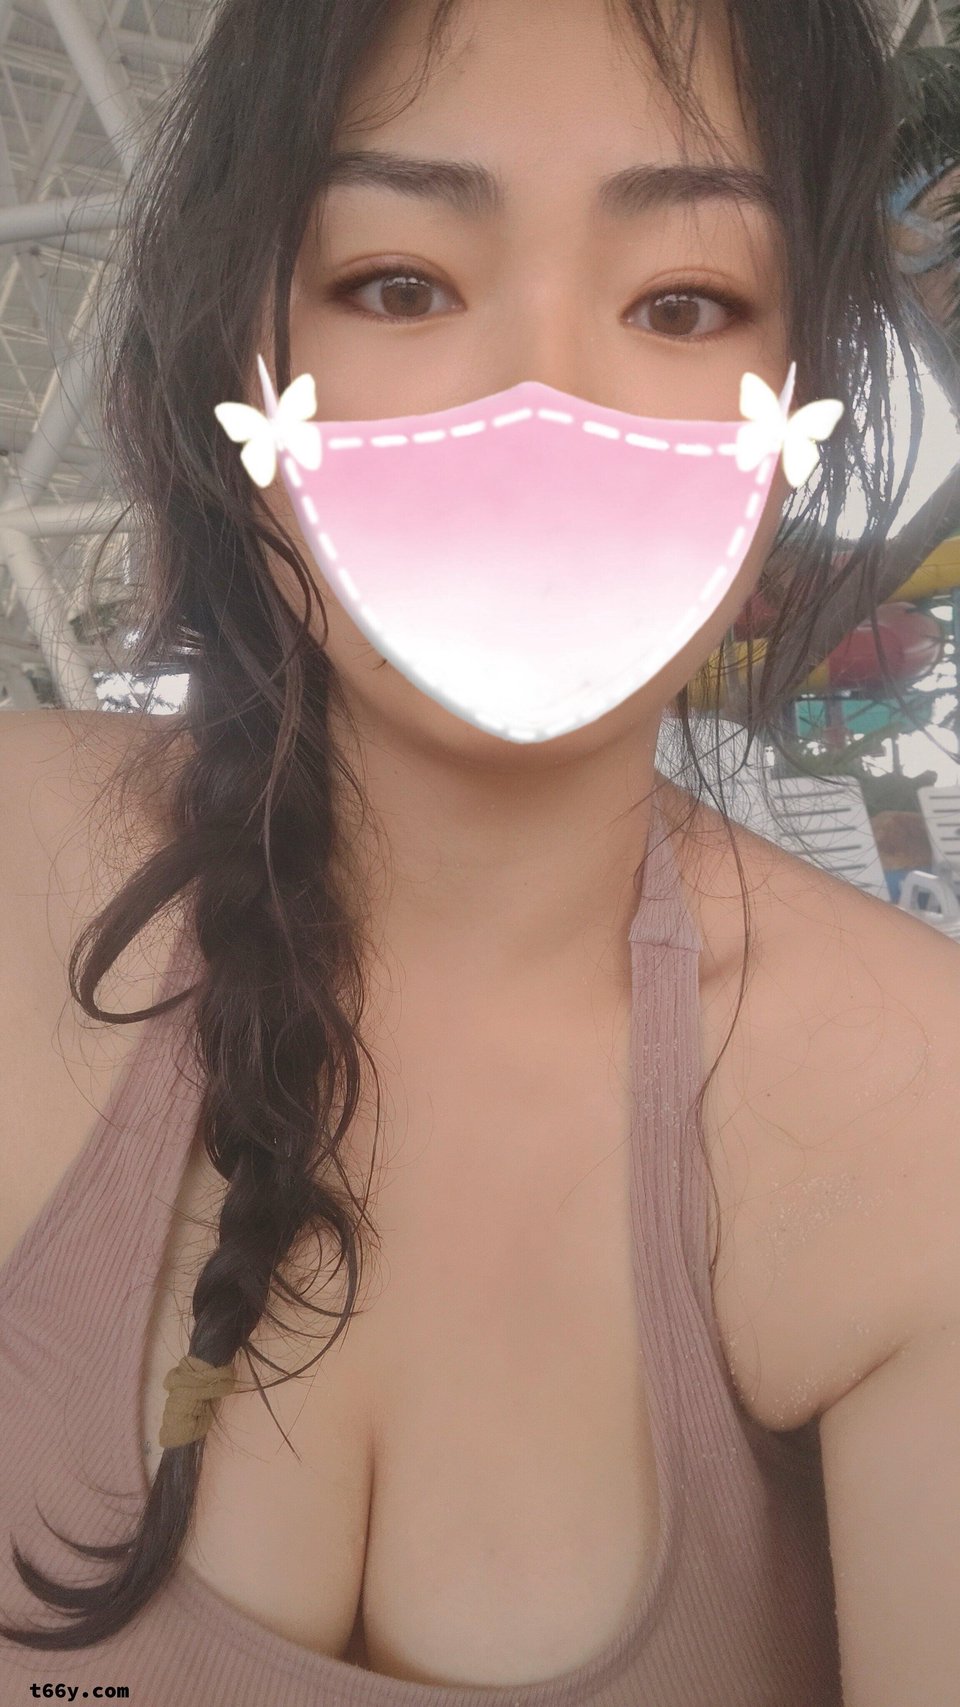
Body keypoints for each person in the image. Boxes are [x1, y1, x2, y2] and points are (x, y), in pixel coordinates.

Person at [1, 0, 958, 1702]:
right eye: (400, 285)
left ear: (799, 406)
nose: (543, 395)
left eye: (683, 303)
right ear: (238, 358)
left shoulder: (913, 1122)